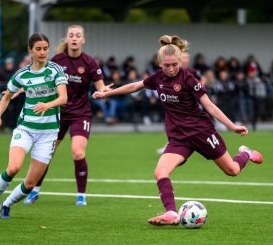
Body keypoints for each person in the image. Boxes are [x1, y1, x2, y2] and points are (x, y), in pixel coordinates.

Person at [93, 34, 263, 226]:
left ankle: (246, 154)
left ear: (180, 61)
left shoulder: (189, 79)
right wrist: (108, 93)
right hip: (179, 138)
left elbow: (209, 106)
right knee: (160, 172)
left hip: (201, 132)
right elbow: (135, 86)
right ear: (159, 64)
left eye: (175, 64)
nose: (172, 68)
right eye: (167, 65)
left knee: (232, 170)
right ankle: (171, 213)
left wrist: (232, 126)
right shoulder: (158, 78)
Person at [0, 33, 68, 219]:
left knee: (31, 183)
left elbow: (63, 98)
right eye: (38, 49)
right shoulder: (22, 74)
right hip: (26, 128)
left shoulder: (55, 70)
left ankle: (7, 204)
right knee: (13, 168)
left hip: (49, 134)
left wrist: (48, 105)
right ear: (30, 51)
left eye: (45, 48)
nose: (42, 52)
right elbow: (7, 96)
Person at [24, 25, 112, 206]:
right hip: (57, 113)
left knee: (78, 153)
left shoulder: (89, 62)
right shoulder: (57, 60)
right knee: (46, 154)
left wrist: (103, 91)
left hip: (81, 114)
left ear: (83, 40)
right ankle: (35, 190)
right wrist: (18, 90)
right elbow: (38, 77)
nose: (74, 38)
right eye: (71, 35)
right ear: (67, 38)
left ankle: (81, 195)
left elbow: (100, 86)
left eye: (78, 35)